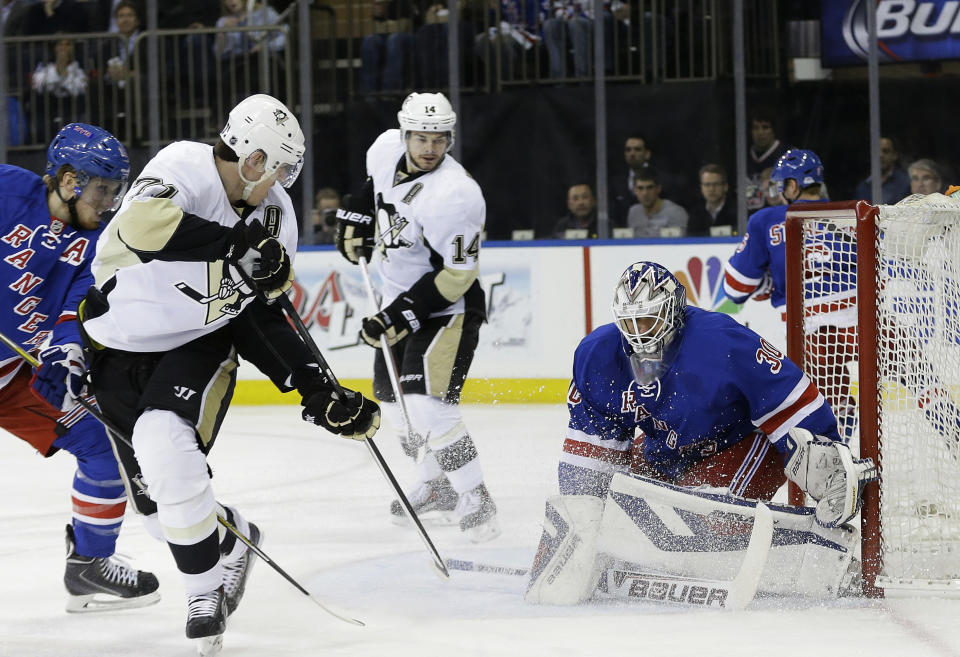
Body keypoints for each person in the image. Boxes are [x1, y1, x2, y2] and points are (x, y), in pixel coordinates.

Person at [79, 94, 380, 652]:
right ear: (254, 160)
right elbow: (143, 227)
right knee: (157, 511)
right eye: (281, 168)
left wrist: (315, 388)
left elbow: (260, 313)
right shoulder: (180, 167)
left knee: (166, 446)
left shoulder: (275, 216)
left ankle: (203, 597)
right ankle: (232, 543)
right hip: (117, 346)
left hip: (199, 341)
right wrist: (232, 244)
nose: (285, 182)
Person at [526, 261, 876, 604]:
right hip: (665, 450)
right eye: (629, 321)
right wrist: (586, 519)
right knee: (623, 511)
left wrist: (826, 461)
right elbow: (591, 451)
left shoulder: (720, 340)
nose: (639, 332)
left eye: (648, 319)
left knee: (704, 525)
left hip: (741, 443)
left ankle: (824, 558)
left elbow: (792, 399)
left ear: (674, 310)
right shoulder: (597, 355)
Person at [0, 122, 160, 612]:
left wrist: (62, 356)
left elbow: (75, 313)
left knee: (102, 444)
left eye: (115, 191)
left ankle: (89, 566)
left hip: (10, 378)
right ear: (69, 181)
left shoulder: (96, 246)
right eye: (102, 189)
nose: (110, 202)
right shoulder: (6, 188)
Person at [335, 91, 500, 543]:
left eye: (440, 139)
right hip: (396, 300)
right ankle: (438, 487)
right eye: (422, 138)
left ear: (450, 139)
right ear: (405, 134)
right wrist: (355, 215)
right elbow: (373, 186)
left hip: (447, 308)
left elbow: (460, 274)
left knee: (428, 405)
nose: (430, 148)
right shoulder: (385, 148)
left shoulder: (457, 195)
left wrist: (402, 316)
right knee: (395, 408)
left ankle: (476, 495)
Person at [360, 0, 417, 92]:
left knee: (395, 40)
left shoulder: (405, 4)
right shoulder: (381, 4)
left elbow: (406, 25)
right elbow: (374, 26)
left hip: (411, 35)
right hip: (385, 35)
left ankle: (391, 90)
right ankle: (369, 92)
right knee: (370, 41)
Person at [745, 108, 789, 215]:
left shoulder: (789, 156)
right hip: (750, 222)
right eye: (756, 128)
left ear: (773, 130)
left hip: (780, 219)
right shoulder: (742, 157)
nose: (760, 132)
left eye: (765, 127)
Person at [626, 169, 689, 238]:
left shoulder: (676, 212)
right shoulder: (633, 212)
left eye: (650, 188)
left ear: (658, 189)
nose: (645, 193)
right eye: (640, 188)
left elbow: (681, 245)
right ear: (634, 190)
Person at [853, 136, 911, 204]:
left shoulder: (906, 182)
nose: (880, 155)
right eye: (876, 151)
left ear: (895, 155)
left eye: (885, 151)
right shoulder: (862, 187)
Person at [686, 163, 736, 237]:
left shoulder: (738, 212)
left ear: (725, 186)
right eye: (707, 185)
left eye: (716, 184)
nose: (711, 189)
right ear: (701, 188)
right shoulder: (696, 214)